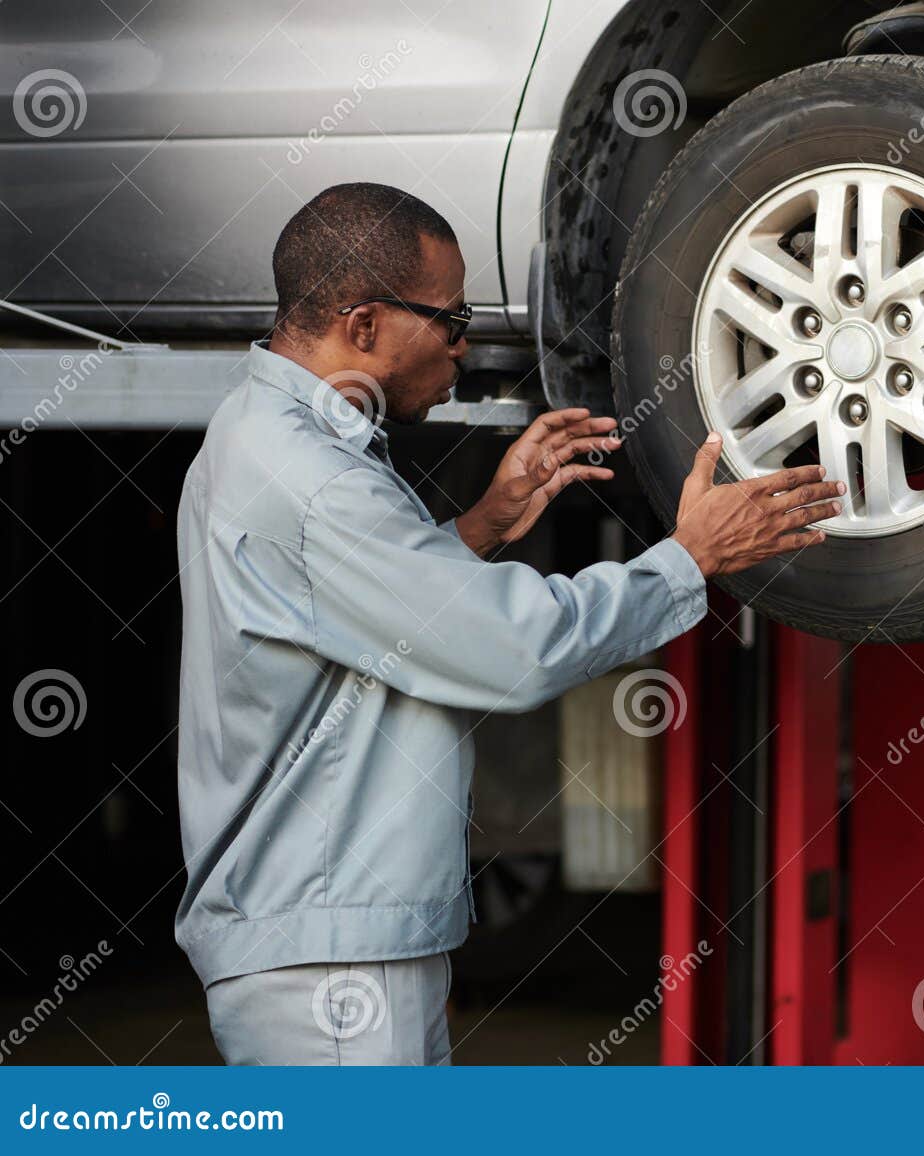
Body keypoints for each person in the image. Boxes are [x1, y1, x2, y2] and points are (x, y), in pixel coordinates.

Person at [176, 182, 842, 1065]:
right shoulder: (314, 481)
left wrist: (483, 524)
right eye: (449, 322)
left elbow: (356, 620)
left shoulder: (261, 435)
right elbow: (518, 649)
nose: (465, 346)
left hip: (326, 939)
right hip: (329, 959)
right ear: (363, 324)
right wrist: (690, 558)